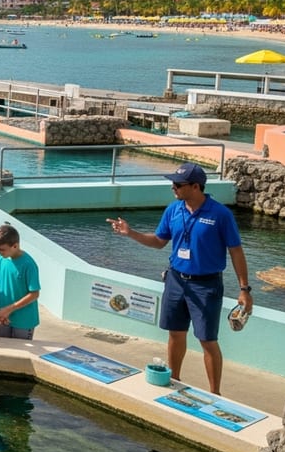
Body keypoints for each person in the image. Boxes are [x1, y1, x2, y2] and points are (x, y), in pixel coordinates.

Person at [107, 162, 252, 394]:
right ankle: (173, 380)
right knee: (175, 332)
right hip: (175, 280)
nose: (173, 187)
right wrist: (130, 233)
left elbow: (236, 251)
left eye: (178, 184)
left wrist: (244, 288)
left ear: (196, 186)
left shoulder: (220, 214)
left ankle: (215, 392)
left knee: (207, 340)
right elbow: (158, 241)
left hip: (206, 284)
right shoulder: (173, 210)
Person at [0, 225, 40, 340]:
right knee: (3, 352)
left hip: (24, 321)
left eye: (2, 249)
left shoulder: (29, 264)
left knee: (21, 354)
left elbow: (35, 294)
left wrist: (9, 309)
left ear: (15, 246)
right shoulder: (0, 258)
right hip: (3, 318)